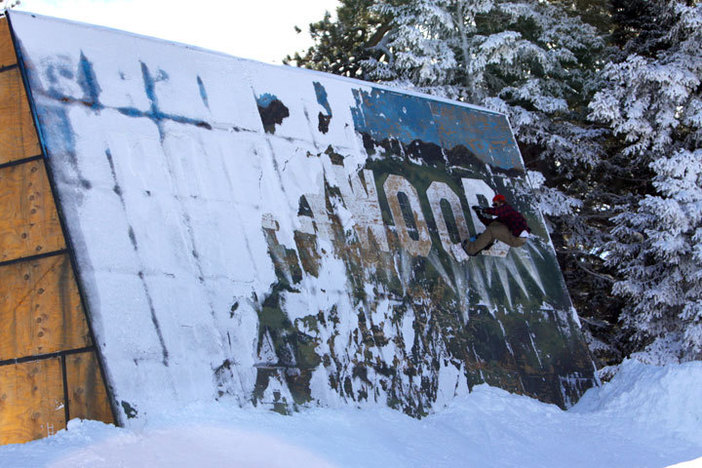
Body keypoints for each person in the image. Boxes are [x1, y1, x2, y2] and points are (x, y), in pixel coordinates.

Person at [461, 194, 530, 256]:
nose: (494, 206)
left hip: (517, 238)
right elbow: (488, 223)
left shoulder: (508, 208)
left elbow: (496, 212)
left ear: (501, 202)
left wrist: (483, 210)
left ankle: (470, 249)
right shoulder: (505, 216)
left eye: (495, 204)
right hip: (516, 236)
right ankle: (486, 244)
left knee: (491, 230)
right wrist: (478, 213)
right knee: (494, 225)